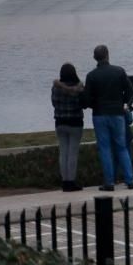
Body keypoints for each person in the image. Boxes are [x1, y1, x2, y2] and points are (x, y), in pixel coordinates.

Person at [82, 45, 133, 191]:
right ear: (108, 55)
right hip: (118, 113)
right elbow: (130, 90)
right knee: (122, 147)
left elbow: (86, 100)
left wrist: (94, 104)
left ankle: (109, 182)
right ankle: (130, 179)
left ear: (95, 58)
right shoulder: (119, 71)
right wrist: (124, 103)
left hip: (100, 115)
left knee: (105, 148)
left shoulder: (91, 76)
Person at [52, 63, 84, 192]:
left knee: (63, 151)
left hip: (60, 122)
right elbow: (82, 103)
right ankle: (71, 181)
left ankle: (64, 182)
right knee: (73, 153)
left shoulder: (55, 88)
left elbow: (54, 103)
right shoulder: (79, 88)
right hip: (75, 122)